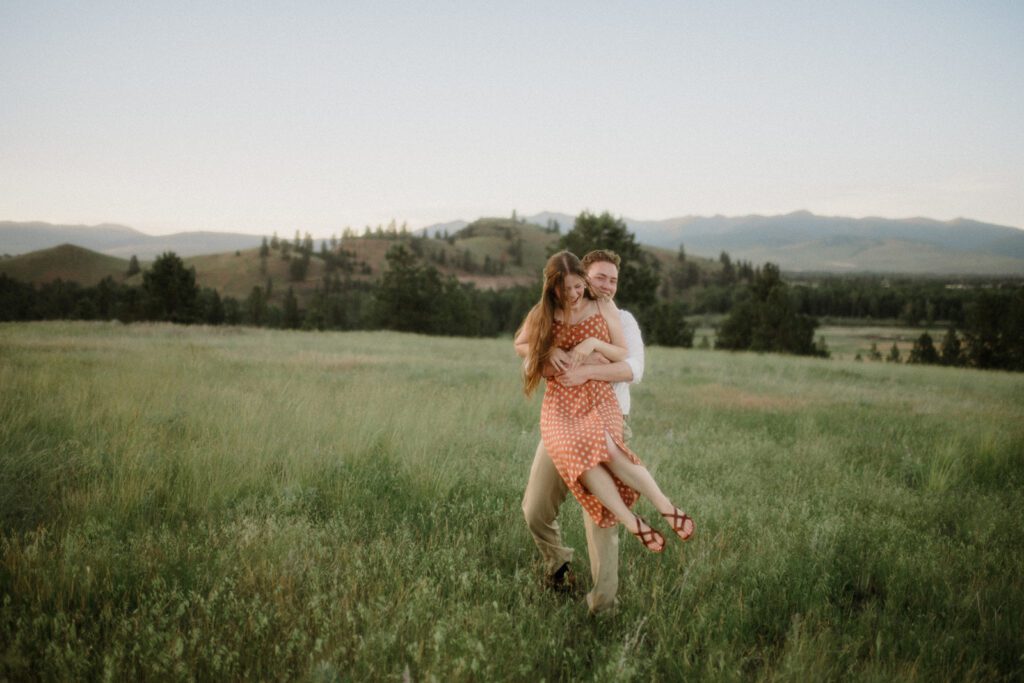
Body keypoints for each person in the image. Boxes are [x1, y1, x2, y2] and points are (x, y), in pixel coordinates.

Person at [514, 250, 694, 611]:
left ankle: (603, 604)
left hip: (607, 414)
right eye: (599, 278)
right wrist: (546, 355)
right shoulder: (553, 309)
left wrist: (588, 366)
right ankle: (557, 564)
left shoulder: (620, 317)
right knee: (535, 508)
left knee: (601, 516)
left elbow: (632, 368)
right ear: (582, 277)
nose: (605, 286)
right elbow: (523, 344)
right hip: (563, 418)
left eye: (612, 279)